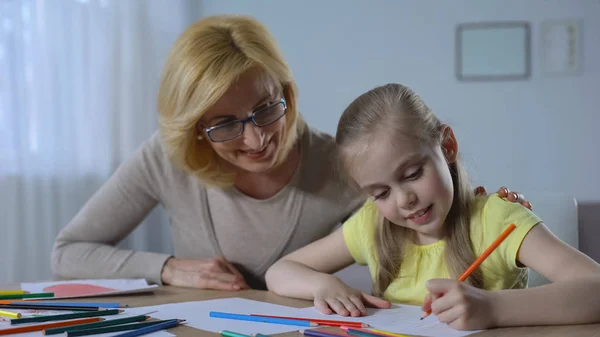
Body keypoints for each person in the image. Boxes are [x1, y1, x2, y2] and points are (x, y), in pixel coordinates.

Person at [51, 15, 529, 292]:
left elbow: (427, 215)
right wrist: (169, 268)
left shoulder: (344, 165)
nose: (257, 141)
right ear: (194, 129)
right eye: (223, 124)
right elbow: (68, 253)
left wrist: (473, 210)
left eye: (265, 109)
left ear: (287, 91)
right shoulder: (165, 158)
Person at [265, 83, 600, 330]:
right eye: (380, 193)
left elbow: (595, 289)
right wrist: (325, 285)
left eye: (413, 174)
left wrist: (493, 308)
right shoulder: (373, 225)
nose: (404, 200)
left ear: (448, 146)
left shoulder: (499, 219)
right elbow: (279, 273)